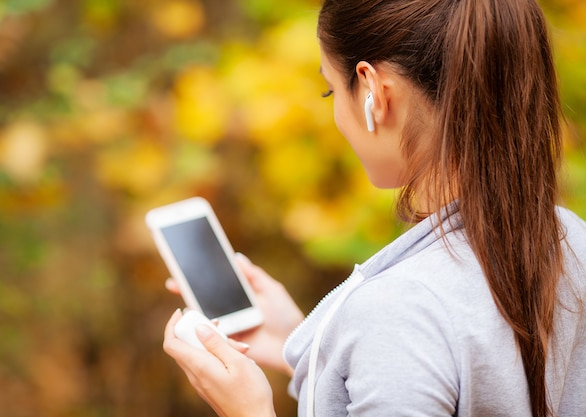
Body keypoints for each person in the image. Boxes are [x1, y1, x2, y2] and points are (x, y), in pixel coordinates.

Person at [162, 0, 586, 416]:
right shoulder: (571, 240)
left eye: (330, 88)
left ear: (373, 91)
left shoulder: (398, 311)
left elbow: (411, 341)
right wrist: (313, 344)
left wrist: (248, 410)